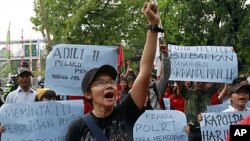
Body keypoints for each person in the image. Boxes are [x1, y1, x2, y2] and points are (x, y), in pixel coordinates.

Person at [65, 2, 161, 140]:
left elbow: (145, 71)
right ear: (88, 93)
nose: (109, 85)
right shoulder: (78, 127)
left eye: (110, 81)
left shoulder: (126, 113)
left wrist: (153, 25)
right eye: (100, 82)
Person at [148, 43, 171, 109]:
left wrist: (165, 55)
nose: (148, 78)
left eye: (150, 76)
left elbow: (166, 74)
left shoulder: (156, 86)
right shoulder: (134, 90)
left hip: (155, 117)